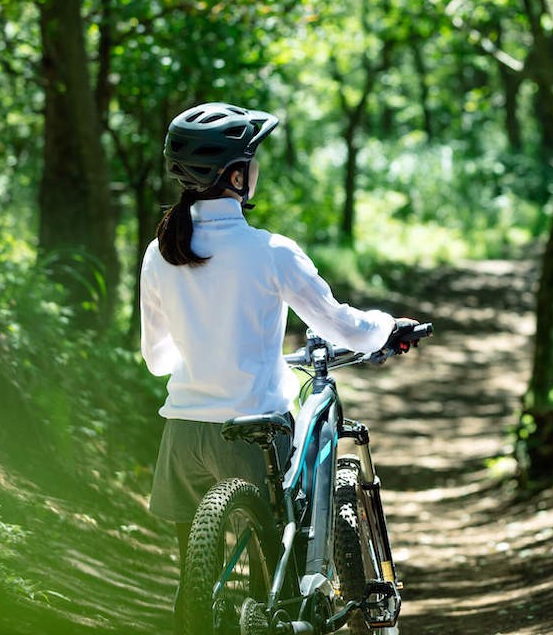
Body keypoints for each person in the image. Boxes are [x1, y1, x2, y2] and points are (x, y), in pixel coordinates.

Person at [139, 102, 418, 575]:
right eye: (252, 160)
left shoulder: (159, 253)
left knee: (194, 577)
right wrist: (387, 327)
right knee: (282, 575)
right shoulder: (271, 252)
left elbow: (158, 360)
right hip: (254, 435)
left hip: (182, 434)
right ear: (234, 177)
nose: (257, 169)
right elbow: (343, 327)